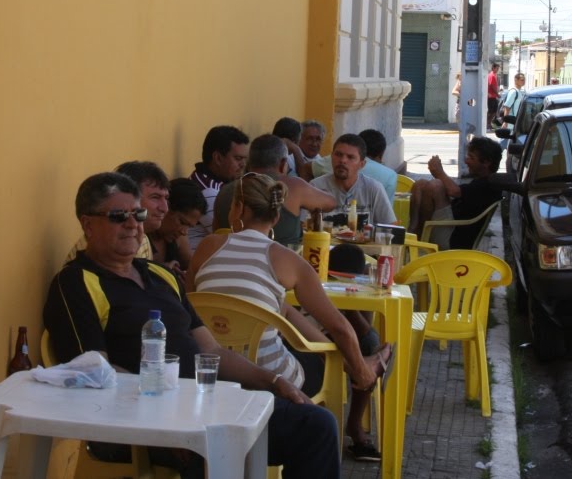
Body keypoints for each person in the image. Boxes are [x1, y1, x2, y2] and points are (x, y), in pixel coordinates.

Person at [44, 172, 340, 479]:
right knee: (214, 456)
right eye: (119, 216)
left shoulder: (161, 275)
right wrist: (168, 422)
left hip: (206, 409)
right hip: (141, 426)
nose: (133, 225)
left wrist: (273, 380)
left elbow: (212, 350)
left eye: (138, 214)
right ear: (88, 224)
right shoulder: (76, 283)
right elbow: (97, 373)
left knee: (316, 426)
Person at [188, 173, 392, 462]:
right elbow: (341, 328)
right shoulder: (287, 260)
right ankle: (361, 372)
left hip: (212, 369)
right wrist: (358, 368)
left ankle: (355, 366)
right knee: (332, 349)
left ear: (239, 209)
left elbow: (191, 305)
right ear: (276, 215)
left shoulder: (207, 247)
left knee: (281, 309)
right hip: (271, 375)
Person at [213, 134, 337, 247]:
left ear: (249, 163)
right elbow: (331, 202)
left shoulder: (224, 191)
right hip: (282, 265)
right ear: (283, 163)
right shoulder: (293, 186)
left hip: (233, 261)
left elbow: (217, 233)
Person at [408, 137, 511, 249]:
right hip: (450, 226)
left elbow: (454, 191)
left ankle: (419, 237)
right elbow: (455, 192)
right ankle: (413, 230)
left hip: (454, 239)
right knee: (421, 184)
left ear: (486, 162)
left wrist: (439, 172)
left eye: (471, 157)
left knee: (435, 186)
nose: (466, 161)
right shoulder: (479, 181)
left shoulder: (488, 184)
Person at [67, 160, 170, 262]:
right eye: (155, 197)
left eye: (166, 198)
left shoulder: (141, 238)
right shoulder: (95, 253)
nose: (165, 208)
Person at [310, 134, 397, 227]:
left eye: (350, 157)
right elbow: (303, 226)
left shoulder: (374, 189)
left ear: (362, 164)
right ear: (331, 157)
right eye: (338, 155)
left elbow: (390, 228)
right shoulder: (316, 187)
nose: (343, 160)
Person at [188, 125, 250, 249]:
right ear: (218, 158)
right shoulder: (208, 191)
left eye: (245, 159)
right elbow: (235, 239)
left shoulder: (211, 181)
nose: (243, 165)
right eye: (238, 159)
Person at [148, 178, 206, 273]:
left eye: (189, 226)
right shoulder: (140, 237)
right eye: (182, 222)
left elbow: (194, 268)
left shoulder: (177, 238)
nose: (184, 232)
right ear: (166, 208)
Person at [487, 62, 501, 129]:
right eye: (496, 68)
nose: (497, 69)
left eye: (498, 68)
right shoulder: (492, 75)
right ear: (493, 68)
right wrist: (497, 94)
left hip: (493, 96)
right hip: (491, 96)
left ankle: (489, 123)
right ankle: (487, 123)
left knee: (495, 111)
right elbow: (491, 85)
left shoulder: (494, 75)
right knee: (490, 111)